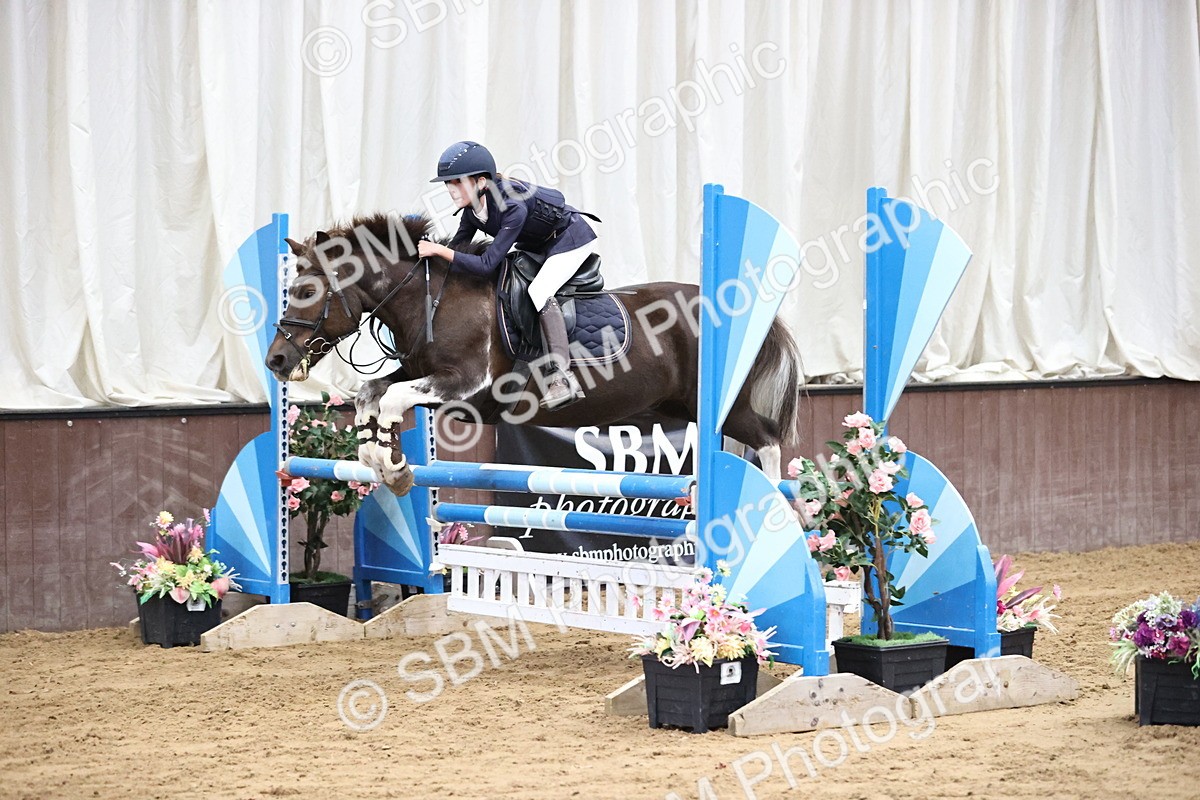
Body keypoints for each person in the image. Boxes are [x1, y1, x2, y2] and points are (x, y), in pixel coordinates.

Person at [418, 141, 599, 410]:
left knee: (539, 290)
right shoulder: (472, 211)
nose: (450, 189)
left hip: (570, 238)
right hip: (538, 245)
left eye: (457, 181)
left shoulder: (513, 205)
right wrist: (428, 257)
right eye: (448, 183)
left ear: (481, 182)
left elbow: (485, 264)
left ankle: (562, 377)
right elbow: (458, 248)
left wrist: (440, 251)